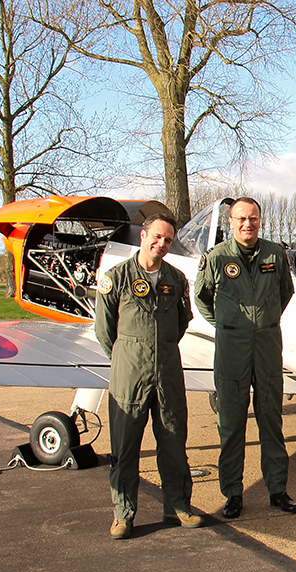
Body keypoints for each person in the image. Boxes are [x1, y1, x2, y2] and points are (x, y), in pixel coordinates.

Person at [95, 214, 201, 540]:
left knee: (172, 441)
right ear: (143, 236)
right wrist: (131, 352)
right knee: (125, 447)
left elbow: (182, 322)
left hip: (167, 369)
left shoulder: (176, 279)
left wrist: (160, 348)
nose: (161, 244)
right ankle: (123, 514)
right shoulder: (117, 278)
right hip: (129, 371)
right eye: (156, 237)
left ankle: (178, 506)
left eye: (167, 240)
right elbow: (104, 329)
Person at [194, 197, 296, 518]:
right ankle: (233, 493)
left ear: (260, 220)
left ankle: (277, 490)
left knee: (271, 420)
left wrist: (263, 322)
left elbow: (285, 292)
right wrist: (230, 325)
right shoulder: (216, 257)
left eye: (253, 218)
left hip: (267, 346)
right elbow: (201, 298)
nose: (247, 224)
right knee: (230, 422)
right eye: (240, 218)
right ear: (231, 222)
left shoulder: (274, 254)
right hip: (232, 349)